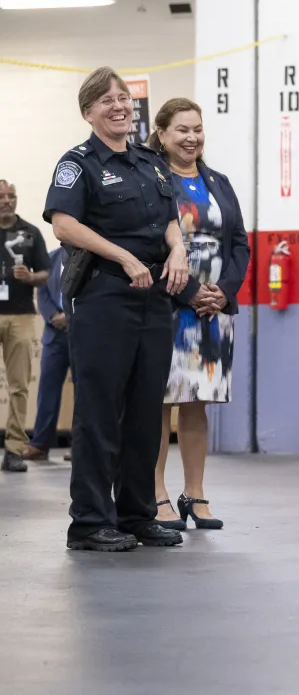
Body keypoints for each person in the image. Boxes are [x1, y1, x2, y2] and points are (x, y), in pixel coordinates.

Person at [43, 67, 197, 552]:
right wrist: (124, 256)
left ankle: (136, 514)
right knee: (99, 410)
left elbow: (171, 218)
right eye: (106, 100)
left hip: (153, 297)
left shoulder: (150, 162)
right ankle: (89, 521)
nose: (119, 106)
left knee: (146, 410)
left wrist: (178, 251)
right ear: (88, 112)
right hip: (105, 296)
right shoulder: (78, 163)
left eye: (124, 99)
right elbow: (64, 225)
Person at [147, 97, 250, 531]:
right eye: (182, 130)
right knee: (159, 405)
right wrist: (191, 292)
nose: (192, 138)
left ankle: (196, 494)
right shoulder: (150, 178)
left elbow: (239, 244)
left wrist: (222, 293)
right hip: (167, 304)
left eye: (198, 129)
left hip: (212, 312)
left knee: (196, 406)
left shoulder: (219, 182)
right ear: (163, 133)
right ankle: (156, 496)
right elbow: (148, 242)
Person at [0, 178, 52, 472]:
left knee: (19, 385)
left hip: (20, 314)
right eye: (2, 196)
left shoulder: (30, 233)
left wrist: (30, 278)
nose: (7, 200)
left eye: (11, 195)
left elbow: (45, 272)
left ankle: (14, 449)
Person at [25, 246, 72, 462]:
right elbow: (42, 293)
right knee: (47, 390)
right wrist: (54, 315)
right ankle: (40, 444)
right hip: (54, 335)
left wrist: (70, 318)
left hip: (83, 333)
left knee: (86, 394)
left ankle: (81, 447)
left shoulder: (93, 255)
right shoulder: (50, 258)